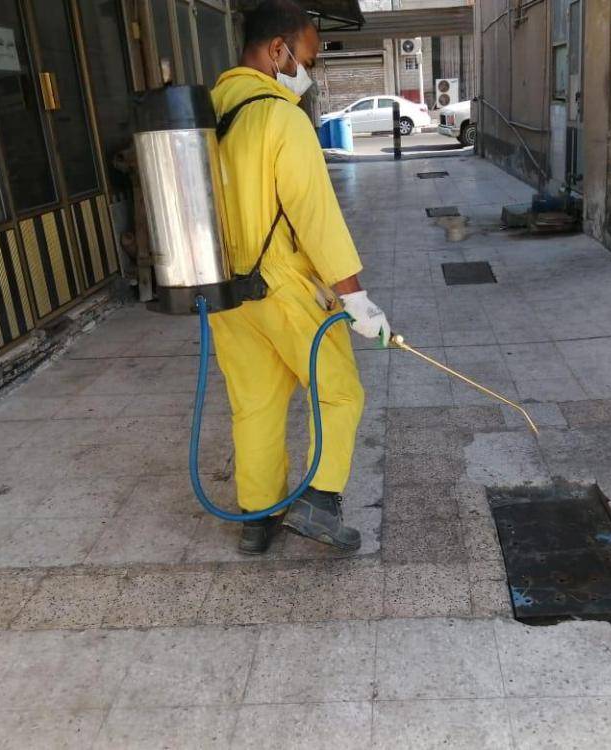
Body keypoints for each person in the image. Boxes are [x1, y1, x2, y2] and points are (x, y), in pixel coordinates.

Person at [209, 0, 389, 554]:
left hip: (224, 289)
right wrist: (355, 297)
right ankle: (319, 501)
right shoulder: (280, 117)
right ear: (277, 51)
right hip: (283, 283)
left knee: (256, 403)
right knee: (339, 393)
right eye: (306, 60)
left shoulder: (207, 114)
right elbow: (315, 216)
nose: (308, 72)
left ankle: (256, 519)